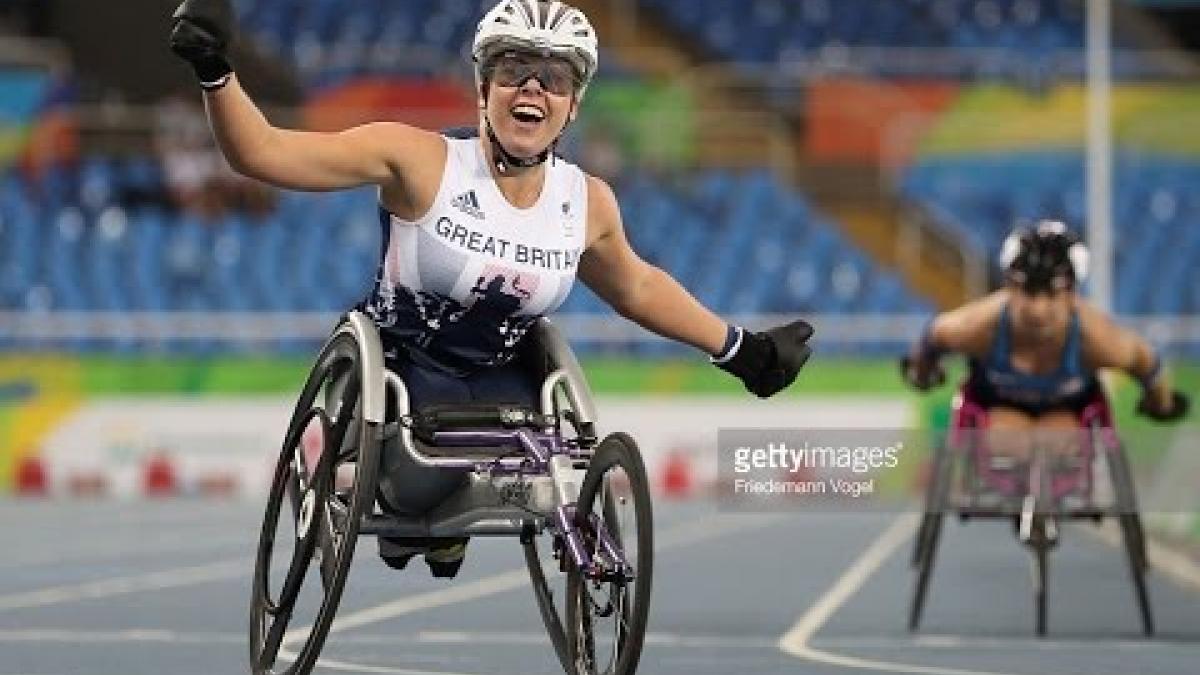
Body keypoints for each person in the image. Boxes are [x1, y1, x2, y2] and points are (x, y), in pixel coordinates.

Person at [169, 0, 814, 577]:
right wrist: (215, 72)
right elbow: (264, 154)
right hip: (405, 368)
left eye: (554, 77)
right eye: (512, 70)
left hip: (508, 377)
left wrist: (740, 349)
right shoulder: (419, 159)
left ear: (573, 102)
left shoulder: (585, 201)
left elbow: (637, 286)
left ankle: (449, 520)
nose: (532, 86)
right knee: (429, 480)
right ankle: (374, 491)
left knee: (551, 467)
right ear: (484, 86)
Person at [902, 220, 1189, 462]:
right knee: (1011, 441)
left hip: (1066, 411)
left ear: (1072, 293)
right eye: (1028, 292)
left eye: (1051, 294)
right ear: (1010, 287)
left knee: (1055, 442)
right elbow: (934, 337)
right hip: (999, 408)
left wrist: (1161, 404)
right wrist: (923, 372)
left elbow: (1145, 362)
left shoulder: (1098, 338)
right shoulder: (978, 325)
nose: (1038, 309)